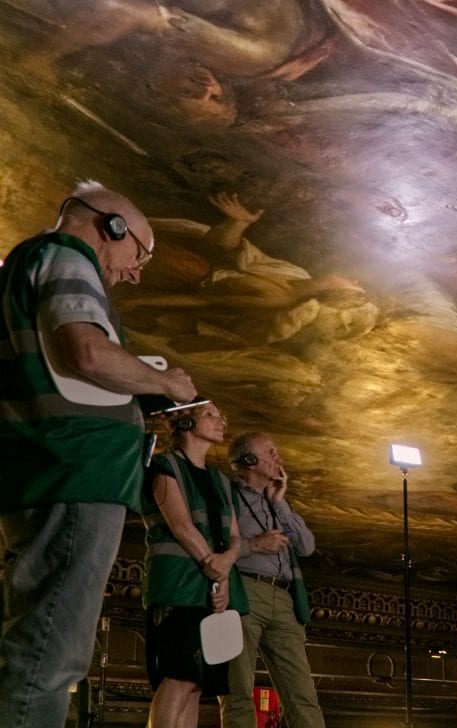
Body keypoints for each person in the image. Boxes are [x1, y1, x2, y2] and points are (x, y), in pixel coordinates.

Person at [0, 181, 196, 727]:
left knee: (38, 642)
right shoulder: (67, 255)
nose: (136, 271)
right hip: (73, 472)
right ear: (111, 226)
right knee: (49, 655)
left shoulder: (26, 265)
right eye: (140, 252)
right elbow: (86, 350)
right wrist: (172, 384)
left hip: (49, 470)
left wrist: (133, 393)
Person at [142, 401, 248, 728]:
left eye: (221, 413)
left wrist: (224, 577)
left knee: (197, 682)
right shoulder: (164, 466)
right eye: (210, 414)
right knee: (180, 675)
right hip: (177, 586)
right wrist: (212, 565)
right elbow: (181, 526)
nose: (222, 420)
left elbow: (234, 538)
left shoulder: (220, 480)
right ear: (186, 423)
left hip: (210, 591)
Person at [219, 432, 324, 728]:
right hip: (243, 590)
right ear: (248, 461)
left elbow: (306, 546)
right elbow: (214, 543)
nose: (279, 457)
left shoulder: (277, 503)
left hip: (285, 599)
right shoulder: (227, 495)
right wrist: (256, 544)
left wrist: (280, 504)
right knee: (236, 688)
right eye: (270, 452)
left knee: (302, 692)